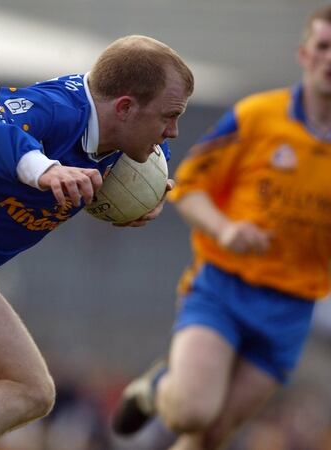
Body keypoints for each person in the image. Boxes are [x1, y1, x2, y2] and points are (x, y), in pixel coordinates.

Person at [0, 34, 193, 450]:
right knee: (31, 388)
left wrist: (128, 206)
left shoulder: (120, 144)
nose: (174, 131)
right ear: (126, 107)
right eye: (169, 116)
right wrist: (41, 168)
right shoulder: (59, 109)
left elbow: (99, 181)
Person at [111, 6, 331, 449]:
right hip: (225, 287)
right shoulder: (258, 117)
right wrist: (227, 230)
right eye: (324, 47)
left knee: (211, 435)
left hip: (292, 308)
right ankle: (156, 389)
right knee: (193, 410)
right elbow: (190, 187)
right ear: (304, 54)